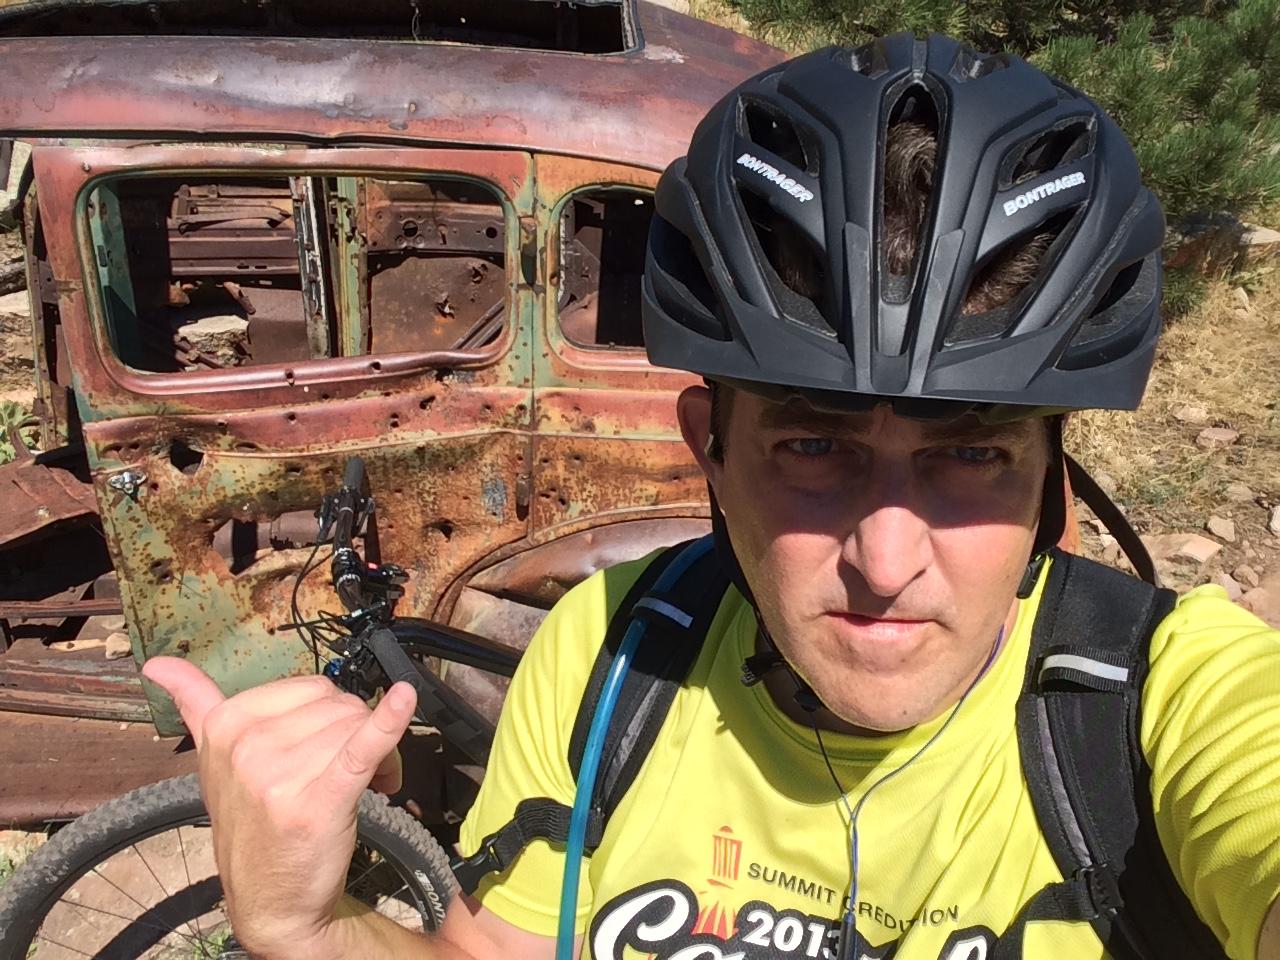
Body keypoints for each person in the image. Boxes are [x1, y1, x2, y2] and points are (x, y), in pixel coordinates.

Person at [144, 33, 1280, 960]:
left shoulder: (1157, 703)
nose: (884, 561)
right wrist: (308, 927)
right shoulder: (616, 649)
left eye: (972, 457)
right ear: (711, 453)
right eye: (812, 450)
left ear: (1052, 487)